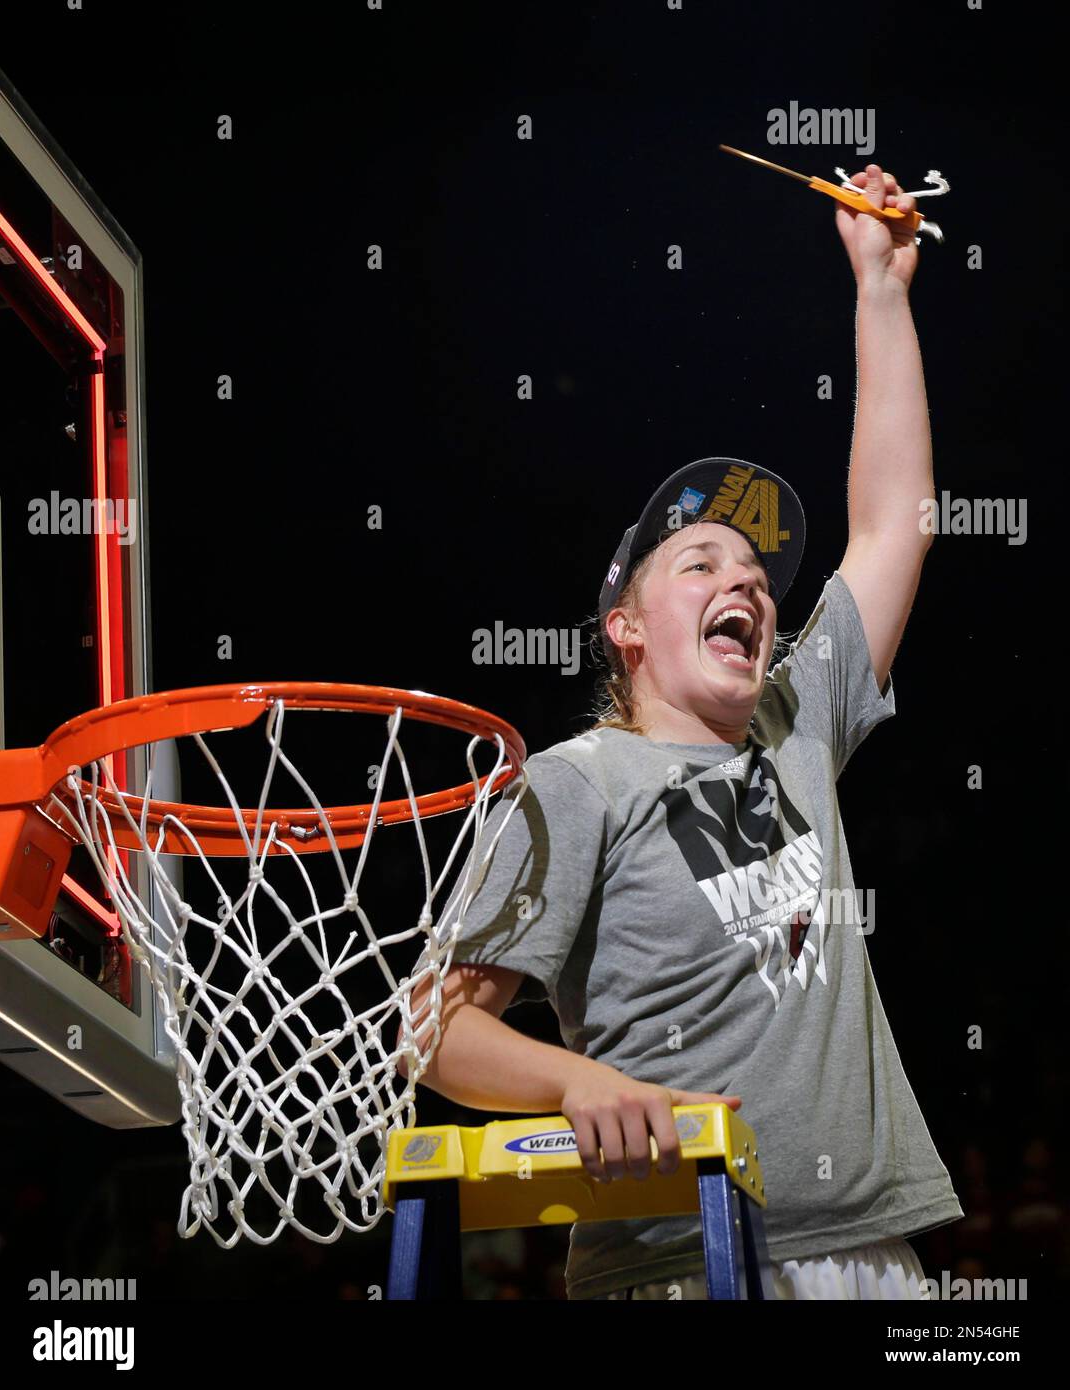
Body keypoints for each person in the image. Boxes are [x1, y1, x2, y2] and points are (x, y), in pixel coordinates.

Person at [398, 165, 963, 1300]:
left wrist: (880, 291)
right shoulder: (574, 783)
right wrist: (566, 1083)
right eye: (701, 563)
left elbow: (896, 522)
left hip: (871, 1251)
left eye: (755, 576)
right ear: (625, 629)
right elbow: (433, 1032)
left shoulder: (794, 724)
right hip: (678, 1251)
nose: (744, 583)